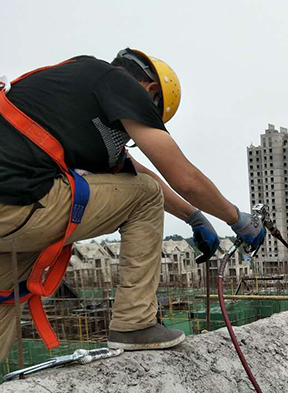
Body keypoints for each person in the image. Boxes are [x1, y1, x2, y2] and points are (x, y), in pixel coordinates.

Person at [0, 48, 264, 360]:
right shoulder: (117, 82)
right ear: (150, 91)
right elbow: (182, 180)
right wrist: (238, 220)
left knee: (6, 294)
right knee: (146, 194)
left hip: (14, 210)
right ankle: (134, 323)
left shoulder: (73, 96)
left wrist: (192, 215)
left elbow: (133, 171)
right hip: (16, 202)